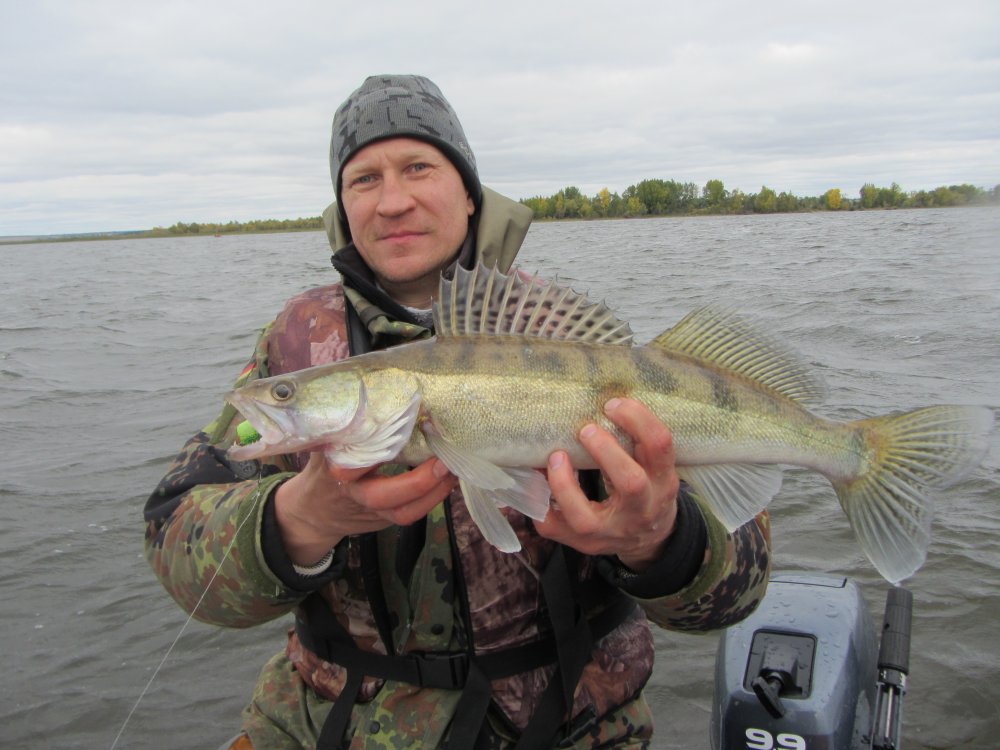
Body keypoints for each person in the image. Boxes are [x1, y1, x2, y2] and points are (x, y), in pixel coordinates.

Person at [144, 74, 771, 750]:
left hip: (566, 729)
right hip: (327, 727)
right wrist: (297, 520)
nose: (393, 200)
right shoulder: (292, 344)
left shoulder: (556, 334)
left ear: (469, 193)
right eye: (364, 179)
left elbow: (737, 592)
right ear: (343, 206)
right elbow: (177, 543)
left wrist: (660, 540)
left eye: (419, 167)